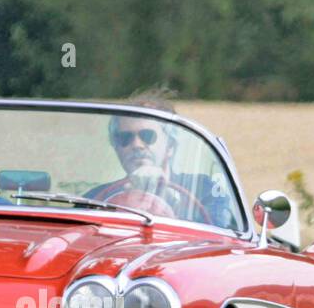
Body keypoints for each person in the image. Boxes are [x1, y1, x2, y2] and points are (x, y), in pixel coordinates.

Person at [86, 88, 237, 228]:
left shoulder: (206, 190)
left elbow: (218, 239)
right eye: (125, 138)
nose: (137, 145)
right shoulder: (95, 198)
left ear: (170, 145)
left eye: (147, 136)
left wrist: (168, 197)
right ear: (116, 147)